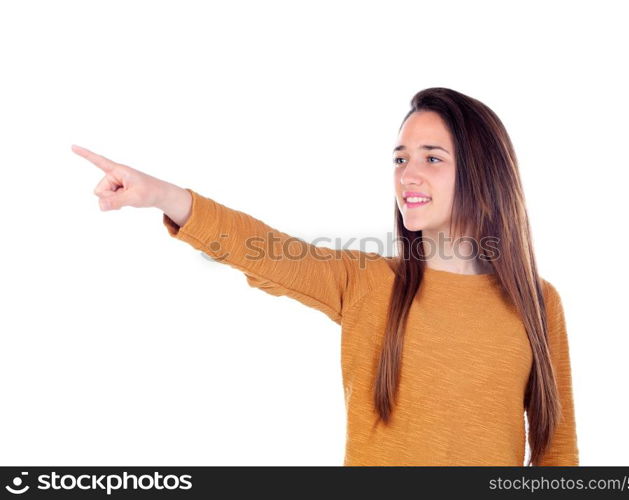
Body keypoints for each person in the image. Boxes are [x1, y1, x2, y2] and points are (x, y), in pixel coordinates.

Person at [73, 87, 579, 466]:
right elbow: (269, 253)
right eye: (400, 159)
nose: (408, 175)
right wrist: (163, 196)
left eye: (432, 158)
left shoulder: (537, 302)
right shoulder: (366, 282)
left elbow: (557, 450)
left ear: (482, 172)